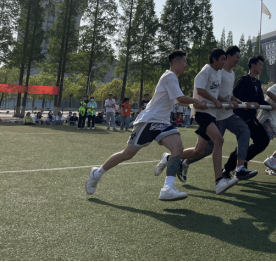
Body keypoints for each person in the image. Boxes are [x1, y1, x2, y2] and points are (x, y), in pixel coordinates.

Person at [86, 50, 208, 202]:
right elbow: (180, 98)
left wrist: (195, 104)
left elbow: (178, 101)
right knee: (127, 154)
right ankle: (96, 174)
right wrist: (196, 101)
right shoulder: (170, 76)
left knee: (177, 148)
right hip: (148, 121)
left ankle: (167, 188)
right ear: (175, 62)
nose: (186, 65)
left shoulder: (173, 79)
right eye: (184, 62)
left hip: (162, 123)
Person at [169, 47, 257, 185]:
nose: (238, 60)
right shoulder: (213, 71)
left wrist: (237, 102)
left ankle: (239, 168)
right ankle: (214, 177)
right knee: (211, 145)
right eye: (236, 57)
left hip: (221, 114)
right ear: (225, 57)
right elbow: (204, 91)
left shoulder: (227, 73)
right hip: (211, 115)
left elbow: (225, 94)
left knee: (204, 148)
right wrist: (217, 101)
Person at [177, 48, 240, 194]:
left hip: (212, 113)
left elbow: (216, 95)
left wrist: (226, 101)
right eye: (222, 59)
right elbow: (200, 90)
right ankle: (219, 181)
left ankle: (170, 158)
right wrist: (214, 100)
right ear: (214, 59)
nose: (224, 62)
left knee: (199, 150)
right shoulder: (206, 71)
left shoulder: (218, 73)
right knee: (219, 139)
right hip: (202, 113)